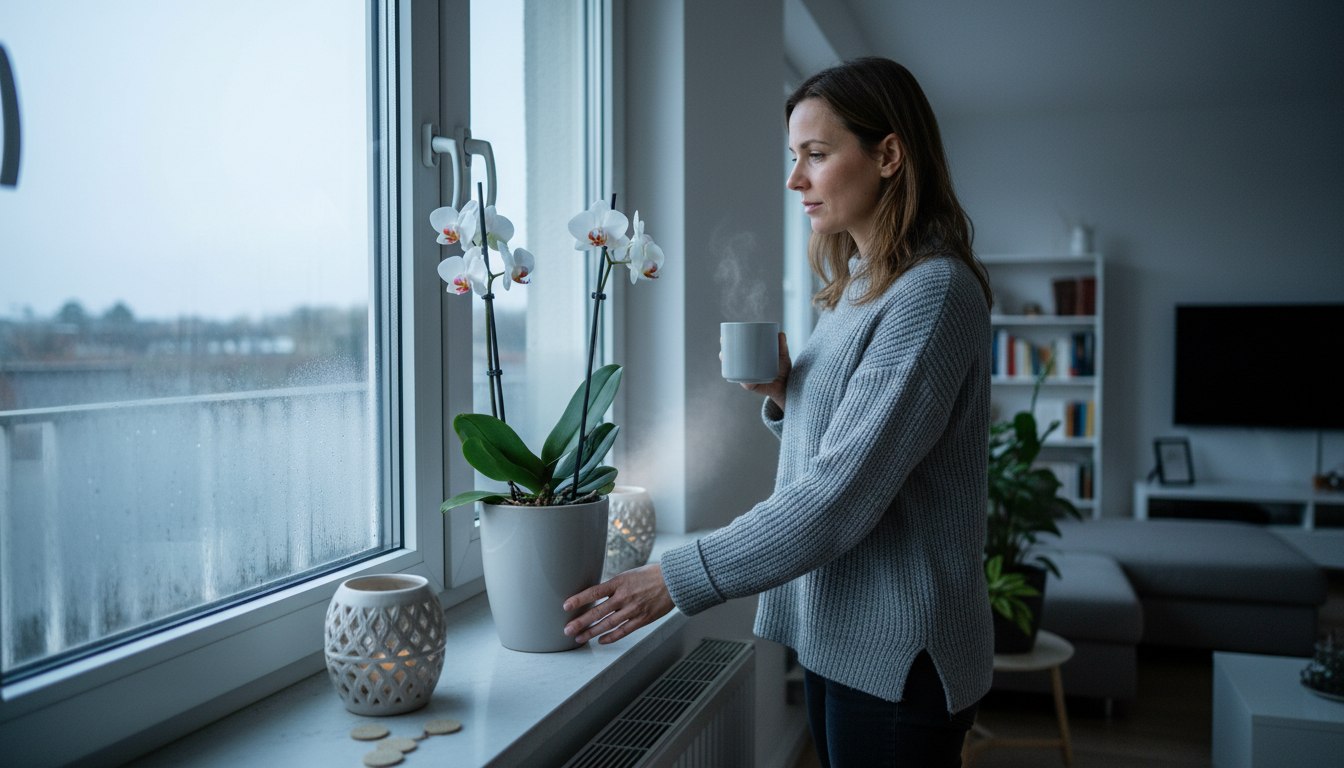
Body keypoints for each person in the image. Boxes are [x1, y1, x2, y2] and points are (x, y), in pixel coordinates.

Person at [564, 56, 995, 767]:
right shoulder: (864, 286)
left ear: (889, 154)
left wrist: (674, 576)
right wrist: (787, 397)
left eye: (816, 156)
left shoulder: (934, 294)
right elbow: (857, 449)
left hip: (900, 654)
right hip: (843, 637)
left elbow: (838, 497)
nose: (795, 180)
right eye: (794, 158)